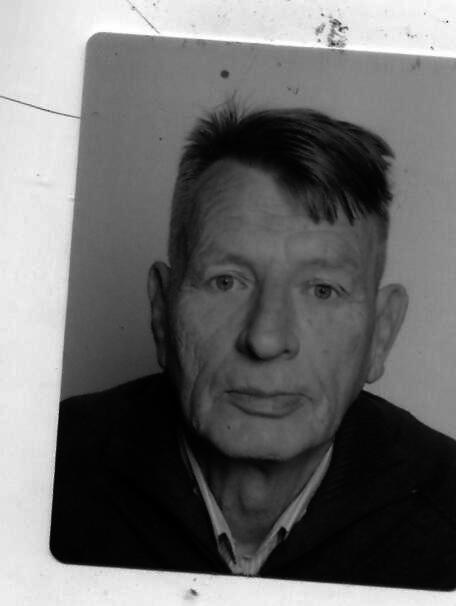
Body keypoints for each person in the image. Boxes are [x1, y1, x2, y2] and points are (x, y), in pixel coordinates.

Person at [50, 102, 456, 590]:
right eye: (226, 281)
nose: (265, 339)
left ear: (381, 334)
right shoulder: (36, 466)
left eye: (322, 290)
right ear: (161, 310)